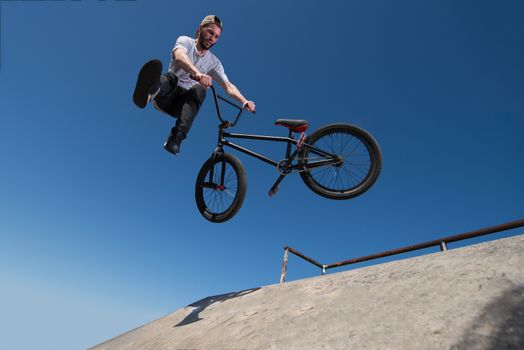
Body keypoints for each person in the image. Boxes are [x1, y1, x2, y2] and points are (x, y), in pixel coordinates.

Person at [133, 15, 256, 155]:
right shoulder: (185, 41)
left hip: (182, 106)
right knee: (173, 78)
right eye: (210, 32)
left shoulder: (214, 63)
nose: (212, 39)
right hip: (165, 95)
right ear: (200, 29)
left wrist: (244, 100)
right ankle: (149, 91)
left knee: (200, 89)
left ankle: (175, 139)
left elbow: (228, 86)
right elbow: (179, 56)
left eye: (216, 36)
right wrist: (197, 73)